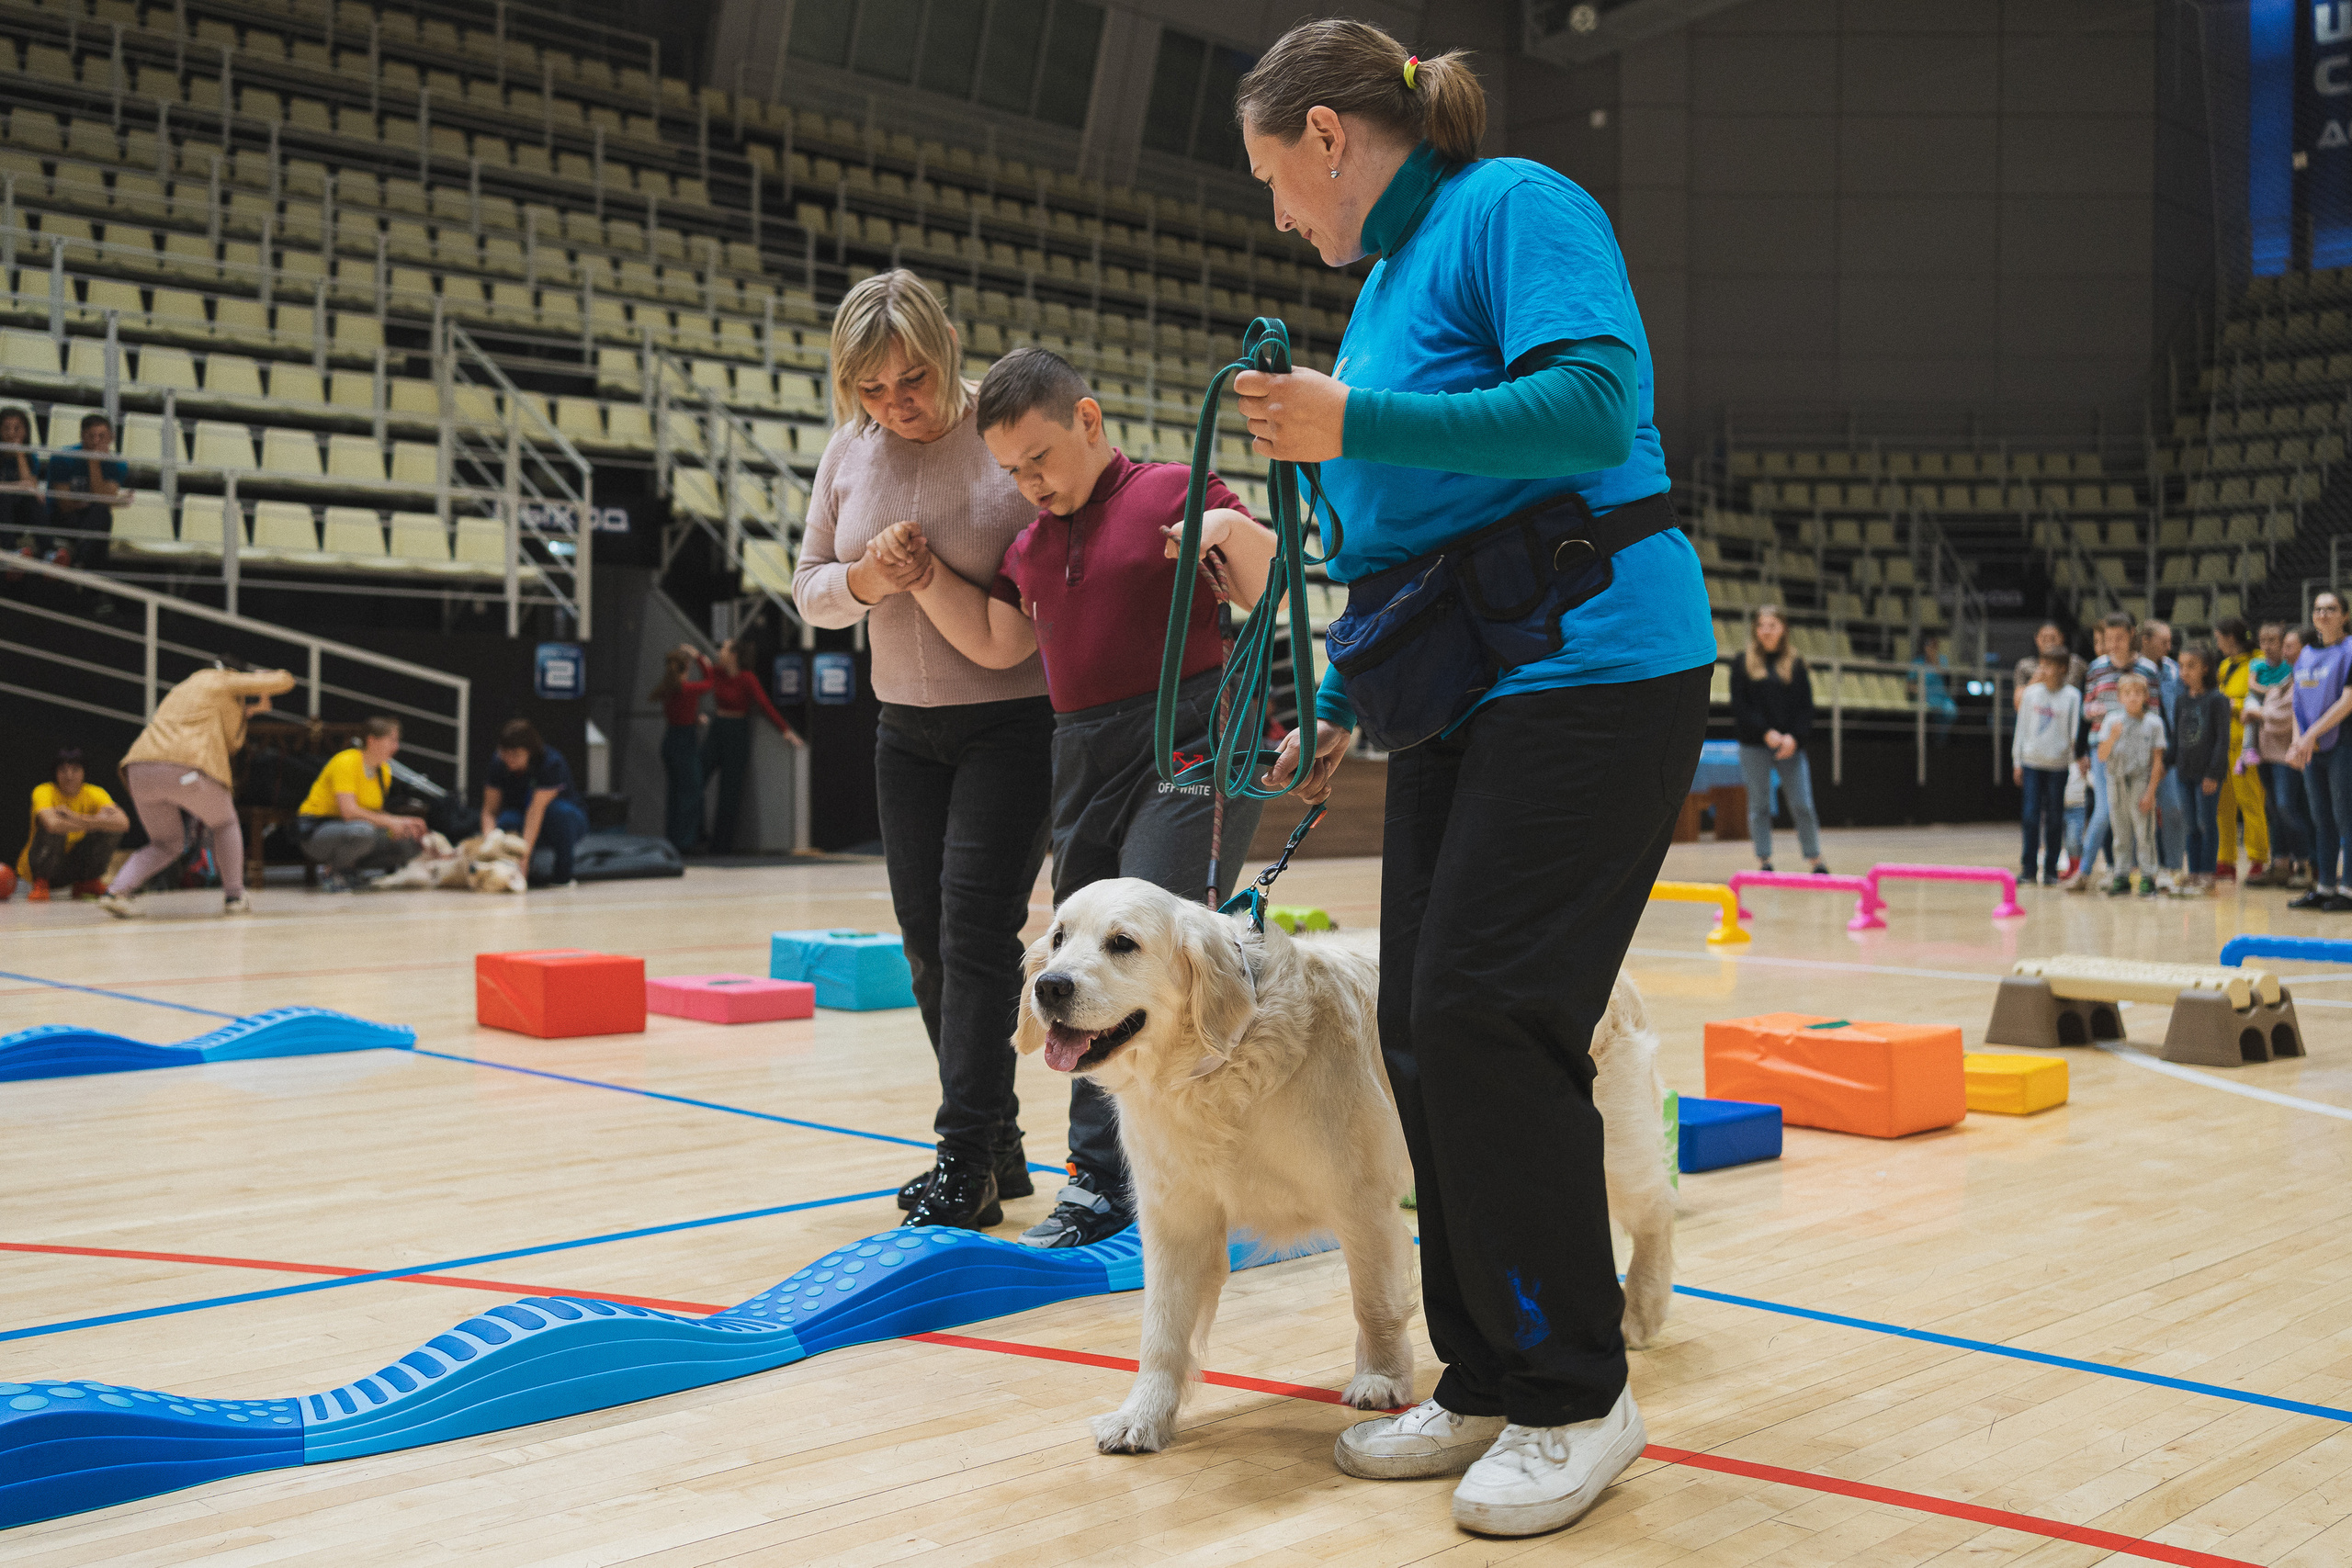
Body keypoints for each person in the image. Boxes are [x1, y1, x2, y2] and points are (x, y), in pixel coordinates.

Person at [1234, 22, 1711, 1536]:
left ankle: (1581, 1390)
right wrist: (1325, 695)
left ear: (1328, 136)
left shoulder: (1512, 206)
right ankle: (1492, 1365)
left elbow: (1590, 402)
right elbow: (1393, 543)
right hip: (1460, 690)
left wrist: (1349, 416)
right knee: (1422, 1029)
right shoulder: (1378, 291)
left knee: (1488, 1009)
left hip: (1594, 666)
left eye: (1273, 180)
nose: (1277, 217)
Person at [882, 346, 1279, 1239]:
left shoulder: (1174, 489)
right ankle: (1114, 1171)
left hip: (1186, 747)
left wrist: (1231, 538)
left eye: (1040, 459)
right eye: (1010, 472)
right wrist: (923, 579)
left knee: (1150, 959)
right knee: (1086, 971)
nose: (1028, 483)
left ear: (1088, 421)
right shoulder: (1029, 546)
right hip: (1081, 755)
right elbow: (994, 643)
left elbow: (1263, 582)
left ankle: (1108, 1182)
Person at [789, 270, 1058, 1236]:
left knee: (976, 935)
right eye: (871, 389)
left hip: (1013, 722)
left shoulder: (1002, 430)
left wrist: (932, 574)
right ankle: (1000, 1140)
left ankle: (963, 1159)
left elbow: (1036, 603)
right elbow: (810, 587)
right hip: (903, 730)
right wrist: (867, 577)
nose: (894, 405)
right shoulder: (846, 456)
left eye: (911, 380)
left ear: (948, 344)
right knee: (927, 948)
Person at [99, 660, 297, 917]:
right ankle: (235, 897)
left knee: (166, 843)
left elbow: (228, 735)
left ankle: (116, 892)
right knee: (225, 823)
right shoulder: (222, 679)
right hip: (186, 770)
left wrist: (249, 710)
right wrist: (263, 679)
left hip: (139, 770)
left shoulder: (182, 688)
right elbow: (285, 681)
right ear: (232, 672)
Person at [1725, 604, 1827, 874]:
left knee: (1802, 804)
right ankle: (1764, 860)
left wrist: (1794, 737)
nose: (1766, 631)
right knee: (1759, 805)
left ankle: (1815, 858)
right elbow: (1740, 706)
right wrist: (1764, 732)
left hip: (1790, 747)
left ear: (1783, 629)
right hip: (1754, 744)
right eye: (1761, 626)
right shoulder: (1741, 662)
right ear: (1755, 630)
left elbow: (1806, 708)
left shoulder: (1796, 663)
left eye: (1772, 625)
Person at [2064, 613, 2156, 892]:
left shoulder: (2148, 669)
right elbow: (2086, 709)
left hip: (2139, 754)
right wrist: (2100, 718)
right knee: (2104, 812)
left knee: (2137, 816)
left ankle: (2143, 874)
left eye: (2119, 638)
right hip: (2103, 750)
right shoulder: (2095, 668)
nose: (2113, 644)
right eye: (2108, 638)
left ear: (2131, 635)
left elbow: (2154, 711)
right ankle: (2084, 871)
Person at [294, 716, 427, 891]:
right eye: (391, 740)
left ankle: (351, 870)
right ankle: (331, 871)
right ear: (372, 740)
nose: (396, 747)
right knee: (363, 832)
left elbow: (374, 814)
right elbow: (349, 812)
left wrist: (404, 823)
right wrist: (390, 822)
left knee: (409, 843)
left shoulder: (384, 771)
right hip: (318, 831)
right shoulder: (347, 761)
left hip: (354, 830)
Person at [698, 636, 800, 854]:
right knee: (696, 778)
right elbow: (703, 676)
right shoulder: (717, 672)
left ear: (734, 655)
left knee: (730, 790)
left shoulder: (747, 678)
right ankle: (695, 835)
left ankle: (721, 846)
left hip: (737, 731)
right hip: (718, 727)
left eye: (724, 649)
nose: (719, 653)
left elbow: (764, 704)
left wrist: (785, 730)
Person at [2287, 591, 2352, 911]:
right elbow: (2297, 704)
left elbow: (2347, 701)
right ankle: (2326, 886)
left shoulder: (2351, 650)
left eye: (2331, 609)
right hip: (2312, 746)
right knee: (2321, 819)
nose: (2323, 614)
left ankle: (2349, 889)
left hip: (2343, 744)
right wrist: (2299, 741)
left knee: (2346, 818)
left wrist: (2310, 736)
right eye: (2318, 609)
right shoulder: (2306, 655)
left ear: (2345, 615)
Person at [479, 718, 588, 888]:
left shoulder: (550, 763)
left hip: (559, 821)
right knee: (507, 821)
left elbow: (535, 811)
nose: (509, 760)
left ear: (530, 752)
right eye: (504, 753)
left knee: (559, 813)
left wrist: (524, 858)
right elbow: (490, 811)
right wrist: (490, 844)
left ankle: (562, 875)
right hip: (522, 816)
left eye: (515, 755)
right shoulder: (498, 763)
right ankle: (506, 872)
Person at [17, 747, 128, 899]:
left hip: (72, 872)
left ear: (84, 772)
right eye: (63, 770)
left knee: (111, 830)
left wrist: (73, 817)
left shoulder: (96, 793)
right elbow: (52, 825)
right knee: (56, 830)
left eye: (75, 770)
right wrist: (98, 821)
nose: (69, 776)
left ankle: (89, 881)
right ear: (55, 773)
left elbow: (123, 823)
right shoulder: (44, 791)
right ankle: (42, 883)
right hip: (37, 874)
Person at [2247, 622, 2311, 888]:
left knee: (2287, 807)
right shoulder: (2283, 679)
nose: (2283, 651)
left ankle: (2306, 863)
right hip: (2267, 755)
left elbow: (2286, 718)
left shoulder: (2304, 679)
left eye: (2288, 645)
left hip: (2288, 755)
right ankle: (2281, 863)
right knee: (2273, 809)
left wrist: (2257, 714)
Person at [2013, 650, 2080, 886]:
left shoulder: (2072, 696)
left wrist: (2072, 762)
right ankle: (2028, 869)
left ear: (2063, 668)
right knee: (2030, 816)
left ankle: (2051, 870)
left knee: (2055, 818)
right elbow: (2021, 729)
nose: (2045, 670)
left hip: (2058, 767)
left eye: (2051, 665)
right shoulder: (2031, 694)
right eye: (2043, 664)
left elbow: (2074, 734)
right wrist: (2017, 761)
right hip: (2032, 763)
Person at [2211, 617, 2271, 885]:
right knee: (2222, 806)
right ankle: (2225, 860)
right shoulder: (2224, 666)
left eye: (2219, 638)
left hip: (2247, 743)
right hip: (2222, 742)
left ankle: (2258, 858)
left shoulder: (2258, 662)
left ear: (2230, 637)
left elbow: (2263, 698)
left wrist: (2230, 704)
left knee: (2250, 801)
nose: (2217, 643)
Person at [2096, 672, 2166, 897]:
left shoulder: (2153, 723)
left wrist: (2151, 792)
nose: (2133, 697)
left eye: (2138, 693)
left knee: (2144, 832)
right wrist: (2112, 737)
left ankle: (2148, 876)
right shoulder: (2111, 721)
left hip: (2140, 781)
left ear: (2146, 696)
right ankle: (2121, 875)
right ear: (2120, 697)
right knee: (2120, 832)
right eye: (2128, 693)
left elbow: (2157, 761)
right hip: (2115, 781)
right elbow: (2101, 755)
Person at [2172, 644, 2232, 895]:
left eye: (2191, 666)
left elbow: (2222, 740)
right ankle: (2193, 871)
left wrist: (2213, 773)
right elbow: (2176, 738)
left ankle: (2208, 872)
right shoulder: (2181, 700)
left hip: (2207, 774)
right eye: (2181, 666)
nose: (2184, 671)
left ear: (2205, 668)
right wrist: (2166, 764)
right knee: (2190, 825)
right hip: (2184, 772)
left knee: (2206, 823)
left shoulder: (2217, 700)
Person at [42, 411, 127, 570]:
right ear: (82, 436)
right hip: (61, 518)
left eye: (101, 437)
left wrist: (93, 463)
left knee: (101, 515)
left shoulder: (117, 464)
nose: (96, 442)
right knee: (100, 521)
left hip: (90, 519)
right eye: (91, 436)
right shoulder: (62, 458)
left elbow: (103, 501)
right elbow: (64, 505)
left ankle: (79, 564)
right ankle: (89, 580)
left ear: (111, 437)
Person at [651, 644, 715, 854]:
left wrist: (695, 718)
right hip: (685, 743)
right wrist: (700, 657)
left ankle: (674, 838)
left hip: (671, 740)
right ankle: (686, 841)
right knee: (692, 791)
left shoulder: (668, 689)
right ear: (686, 667)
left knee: (676, 793)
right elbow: (710, 681)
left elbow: (679, 714)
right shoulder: (687, 689)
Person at [2142, 619, 2187, 892]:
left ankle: (2173, 866)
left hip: (2170, 751)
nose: (2170, 647)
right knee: (2141, 811)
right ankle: (2145, 868)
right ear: (2145, 640)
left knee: (2174, 809)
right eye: (2163, 641)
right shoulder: (2134, 668)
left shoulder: (2174, 670)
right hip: (2140, 751)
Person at [0, 405, 48, 558]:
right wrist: (17, 486)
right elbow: (23, 486)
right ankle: (10, 552)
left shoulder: (29, 457)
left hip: (17, 516)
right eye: (6, 428)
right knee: (4, 497)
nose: (11, 433)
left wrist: (19, 452)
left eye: (17, 429)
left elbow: (29, 486)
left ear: (25, 432)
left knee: (33, 501)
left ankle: (49, 552)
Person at [2011, 620, 2085, 707]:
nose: (2049, 643)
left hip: (2066, 711)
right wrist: (2037, 678)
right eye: (2044, 639)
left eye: (2053, 638)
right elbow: (2018, 704)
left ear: (2062, 637)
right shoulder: (2025, 665)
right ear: (2036, 638)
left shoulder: (2075, 662)